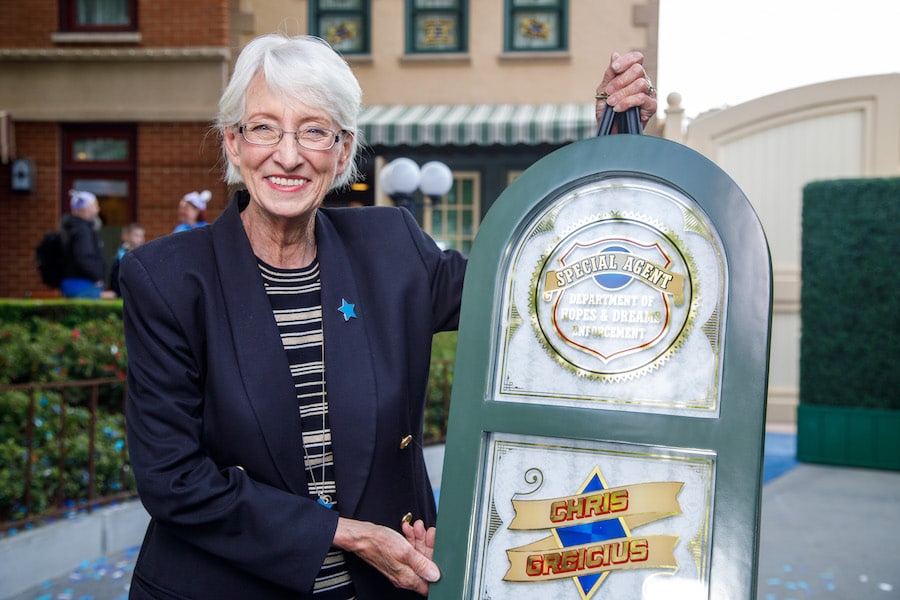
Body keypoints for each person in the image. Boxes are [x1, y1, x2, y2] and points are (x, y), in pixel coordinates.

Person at [119, 33, 657, 600]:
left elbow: (533, 280)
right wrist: (348, 535)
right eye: (264, 127)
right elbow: (174, 479)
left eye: (314, 130)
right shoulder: (168, 279)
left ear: (343, 150)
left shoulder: (390, 246)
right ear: (233, 143)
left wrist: (607, 149)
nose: (288, 153)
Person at [60, 190, 116, 299]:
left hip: (74, 285)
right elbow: (84, 257)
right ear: (85, 209)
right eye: (95, 205)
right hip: (82, 286)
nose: (98, 210)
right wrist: (97, 278)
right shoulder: (82, 230)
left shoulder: (72, 227)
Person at [108, 222, 145, 297]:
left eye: (142, 236)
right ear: (125, 236)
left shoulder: (140, 254)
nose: (140, 239)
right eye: (136, 235)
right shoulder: (121, 255)